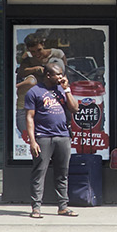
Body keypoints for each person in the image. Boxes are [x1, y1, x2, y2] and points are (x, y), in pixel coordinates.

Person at [22, 62, 78, 219]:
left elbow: (74, 108)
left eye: (62, 74)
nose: (61, 77)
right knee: (39, 172)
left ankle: (63, 207)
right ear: (48, 75)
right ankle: (36, 208)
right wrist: (32, 141)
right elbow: (29, 118)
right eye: (58, 74)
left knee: (63, 173)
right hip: (43, 137)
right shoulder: (34, 92)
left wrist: (67, 89)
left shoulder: (62, 90)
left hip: (63, 136)